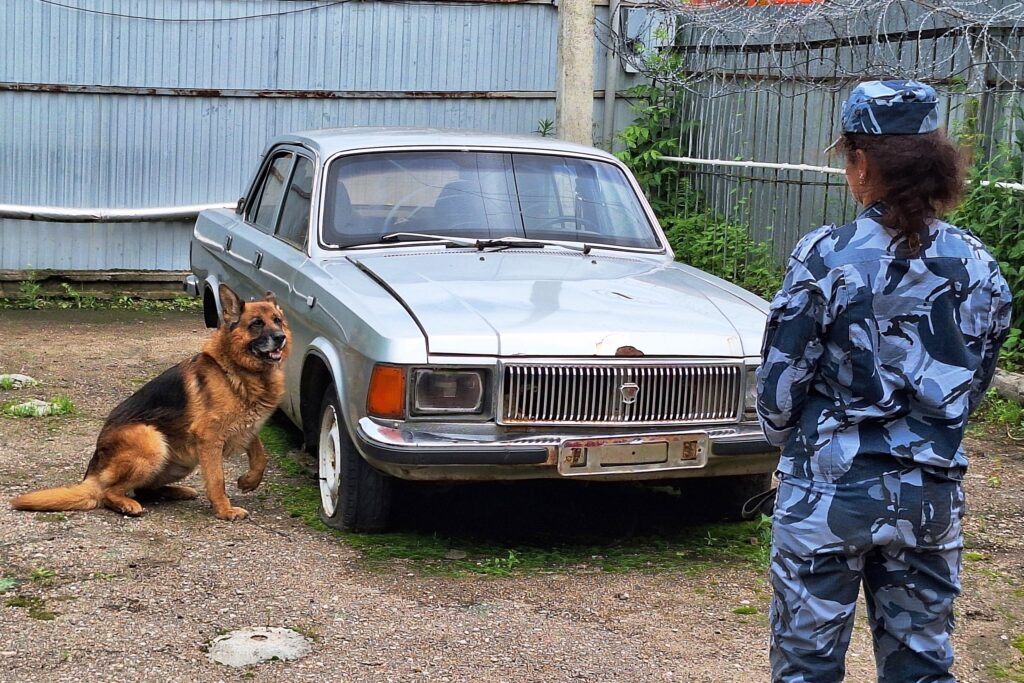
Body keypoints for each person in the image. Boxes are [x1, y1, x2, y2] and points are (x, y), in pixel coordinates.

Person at [757, 80, 1013, 682]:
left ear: (862, 161)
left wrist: (788, 442)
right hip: (929, 497)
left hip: (827, 497)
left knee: (805, 666)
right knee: (921, 665)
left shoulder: (826, 257)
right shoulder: (978, 266)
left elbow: (778, 390)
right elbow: (971, 386)